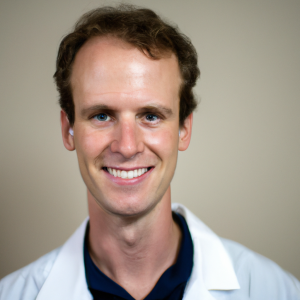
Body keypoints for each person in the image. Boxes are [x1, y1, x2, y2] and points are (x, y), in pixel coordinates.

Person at [0, 4, 299, 300]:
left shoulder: (274, 290)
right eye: (102, 115)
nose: (127, 146)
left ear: (184, 128)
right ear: (69, 130)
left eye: (151, 116)